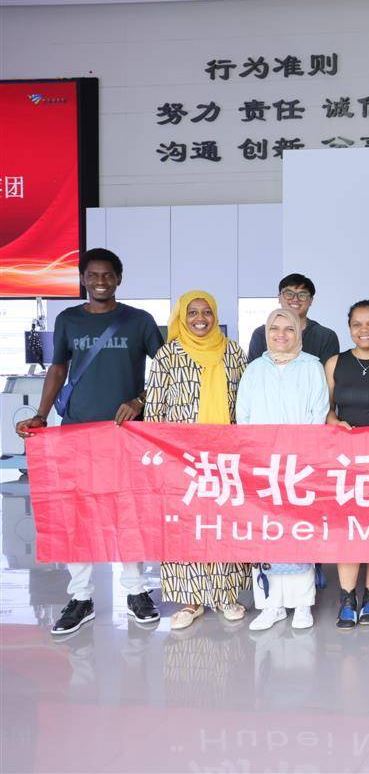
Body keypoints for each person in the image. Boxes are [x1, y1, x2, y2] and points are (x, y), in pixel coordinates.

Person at [16, 248, 164, 636]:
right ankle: (80, 598)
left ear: (119, 278)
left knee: (127, 513)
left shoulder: (139, 321)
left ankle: (136, 591)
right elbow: (58, 369)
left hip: (125, 434)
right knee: (77, 516)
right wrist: (41, 415)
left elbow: (167, 369)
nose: (101, 281)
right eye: (93, 275)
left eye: (108, 275)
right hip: (76, 433)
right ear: (83, 279)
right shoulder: (68, 319)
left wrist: (140, 400)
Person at [147, 291, 250, 630]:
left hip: (226, 458)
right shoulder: (167, 355)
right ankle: (190, 600)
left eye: (207, 311)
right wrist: (159, 456)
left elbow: (244, 403)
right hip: (182, 459)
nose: (200, 318)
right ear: (181, 316)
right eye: (192, 312)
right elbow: (155, 407)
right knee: (186, 526)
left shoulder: (233, 352)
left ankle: (226, 595)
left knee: (224, 523)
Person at [236, 309, 329, 631]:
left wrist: (300, 455)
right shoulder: (254, 370)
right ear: (266, 332)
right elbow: (244, 417)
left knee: (299, 531)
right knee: (266, 532)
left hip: (299, 465)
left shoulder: (312, 367)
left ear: (298, 332)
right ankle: (270, 605)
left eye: (289, 328)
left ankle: (303, 604)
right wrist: (256, 457)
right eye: (275, 328)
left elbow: (319, 413)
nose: (281, 334)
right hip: (263, 465)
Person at [325, 300, 369, 630]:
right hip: (344, 457)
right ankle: (347, 598)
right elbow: (325, 408)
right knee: (347, 526)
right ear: (349, 328)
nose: (364, 330)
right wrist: (334, 422)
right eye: (357, 324)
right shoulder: (335, 362)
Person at [246, 273, 340, 363]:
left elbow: (327, 373)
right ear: (279, 297)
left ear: (311, 300)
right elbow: (255, 370)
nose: (295, 299)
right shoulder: (261, 334)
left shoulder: (326, 337)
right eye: (289, 294)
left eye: (302, 295)